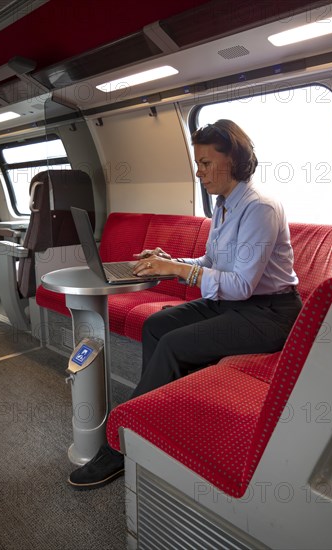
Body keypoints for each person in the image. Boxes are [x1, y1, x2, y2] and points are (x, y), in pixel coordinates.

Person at [68, 119, 302, 490]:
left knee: (176, 345)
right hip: (234, 304)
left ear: (235, 161)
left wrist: (175, 269)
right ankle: (158, 416)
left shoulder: (261, 209)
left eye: (207, 163)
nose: (200, 171)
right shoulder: (223, 207)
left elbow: (241, 284)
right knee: (155, 325)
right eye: (198, 163)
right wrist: (168, 260)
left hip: (270, 313)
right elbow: (210, 264)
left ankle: (119, 445)